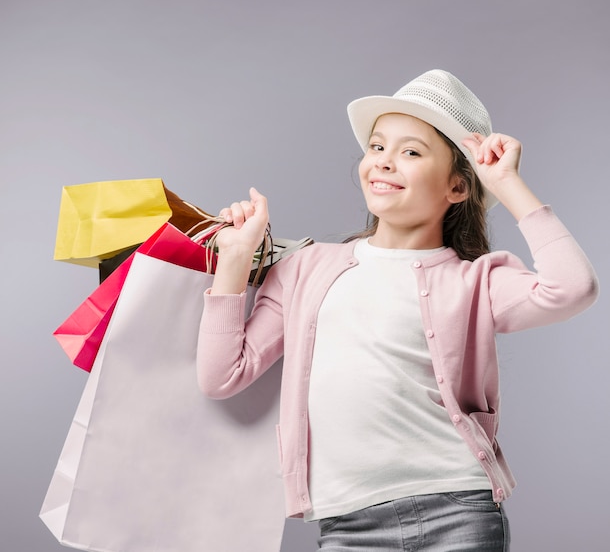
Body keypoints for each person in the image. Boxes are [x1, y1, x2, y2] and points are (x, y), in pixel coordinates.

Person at [196, 69, 599, 551]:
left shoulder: (475, 281)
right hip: (345, 524)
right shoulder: (306, 268)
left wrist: (507, 184)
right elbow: (221, 376)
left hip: (457, 510)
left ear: (457, 187)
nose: (384, 162)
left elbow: (573, 288)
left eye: (410, 152)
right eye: (377, 147)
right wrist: (236, 260)